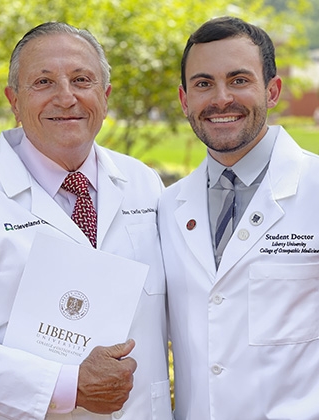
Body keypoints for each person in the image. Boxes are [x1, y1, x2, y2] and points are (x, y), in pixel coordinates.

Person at [0, 22, 172, 420]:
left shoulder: (144, 182)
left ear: (104, 97)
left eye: (81, 79)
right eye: (43, 81)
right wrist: (66, 385)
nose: (66, 97)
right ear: (14, 100)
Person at [159, 15, 319, 420]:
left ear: (273, 90)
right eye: (203, 84)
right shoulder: (167, 206)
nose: (221, 98)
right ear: (183, 100)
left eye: (239, 80)